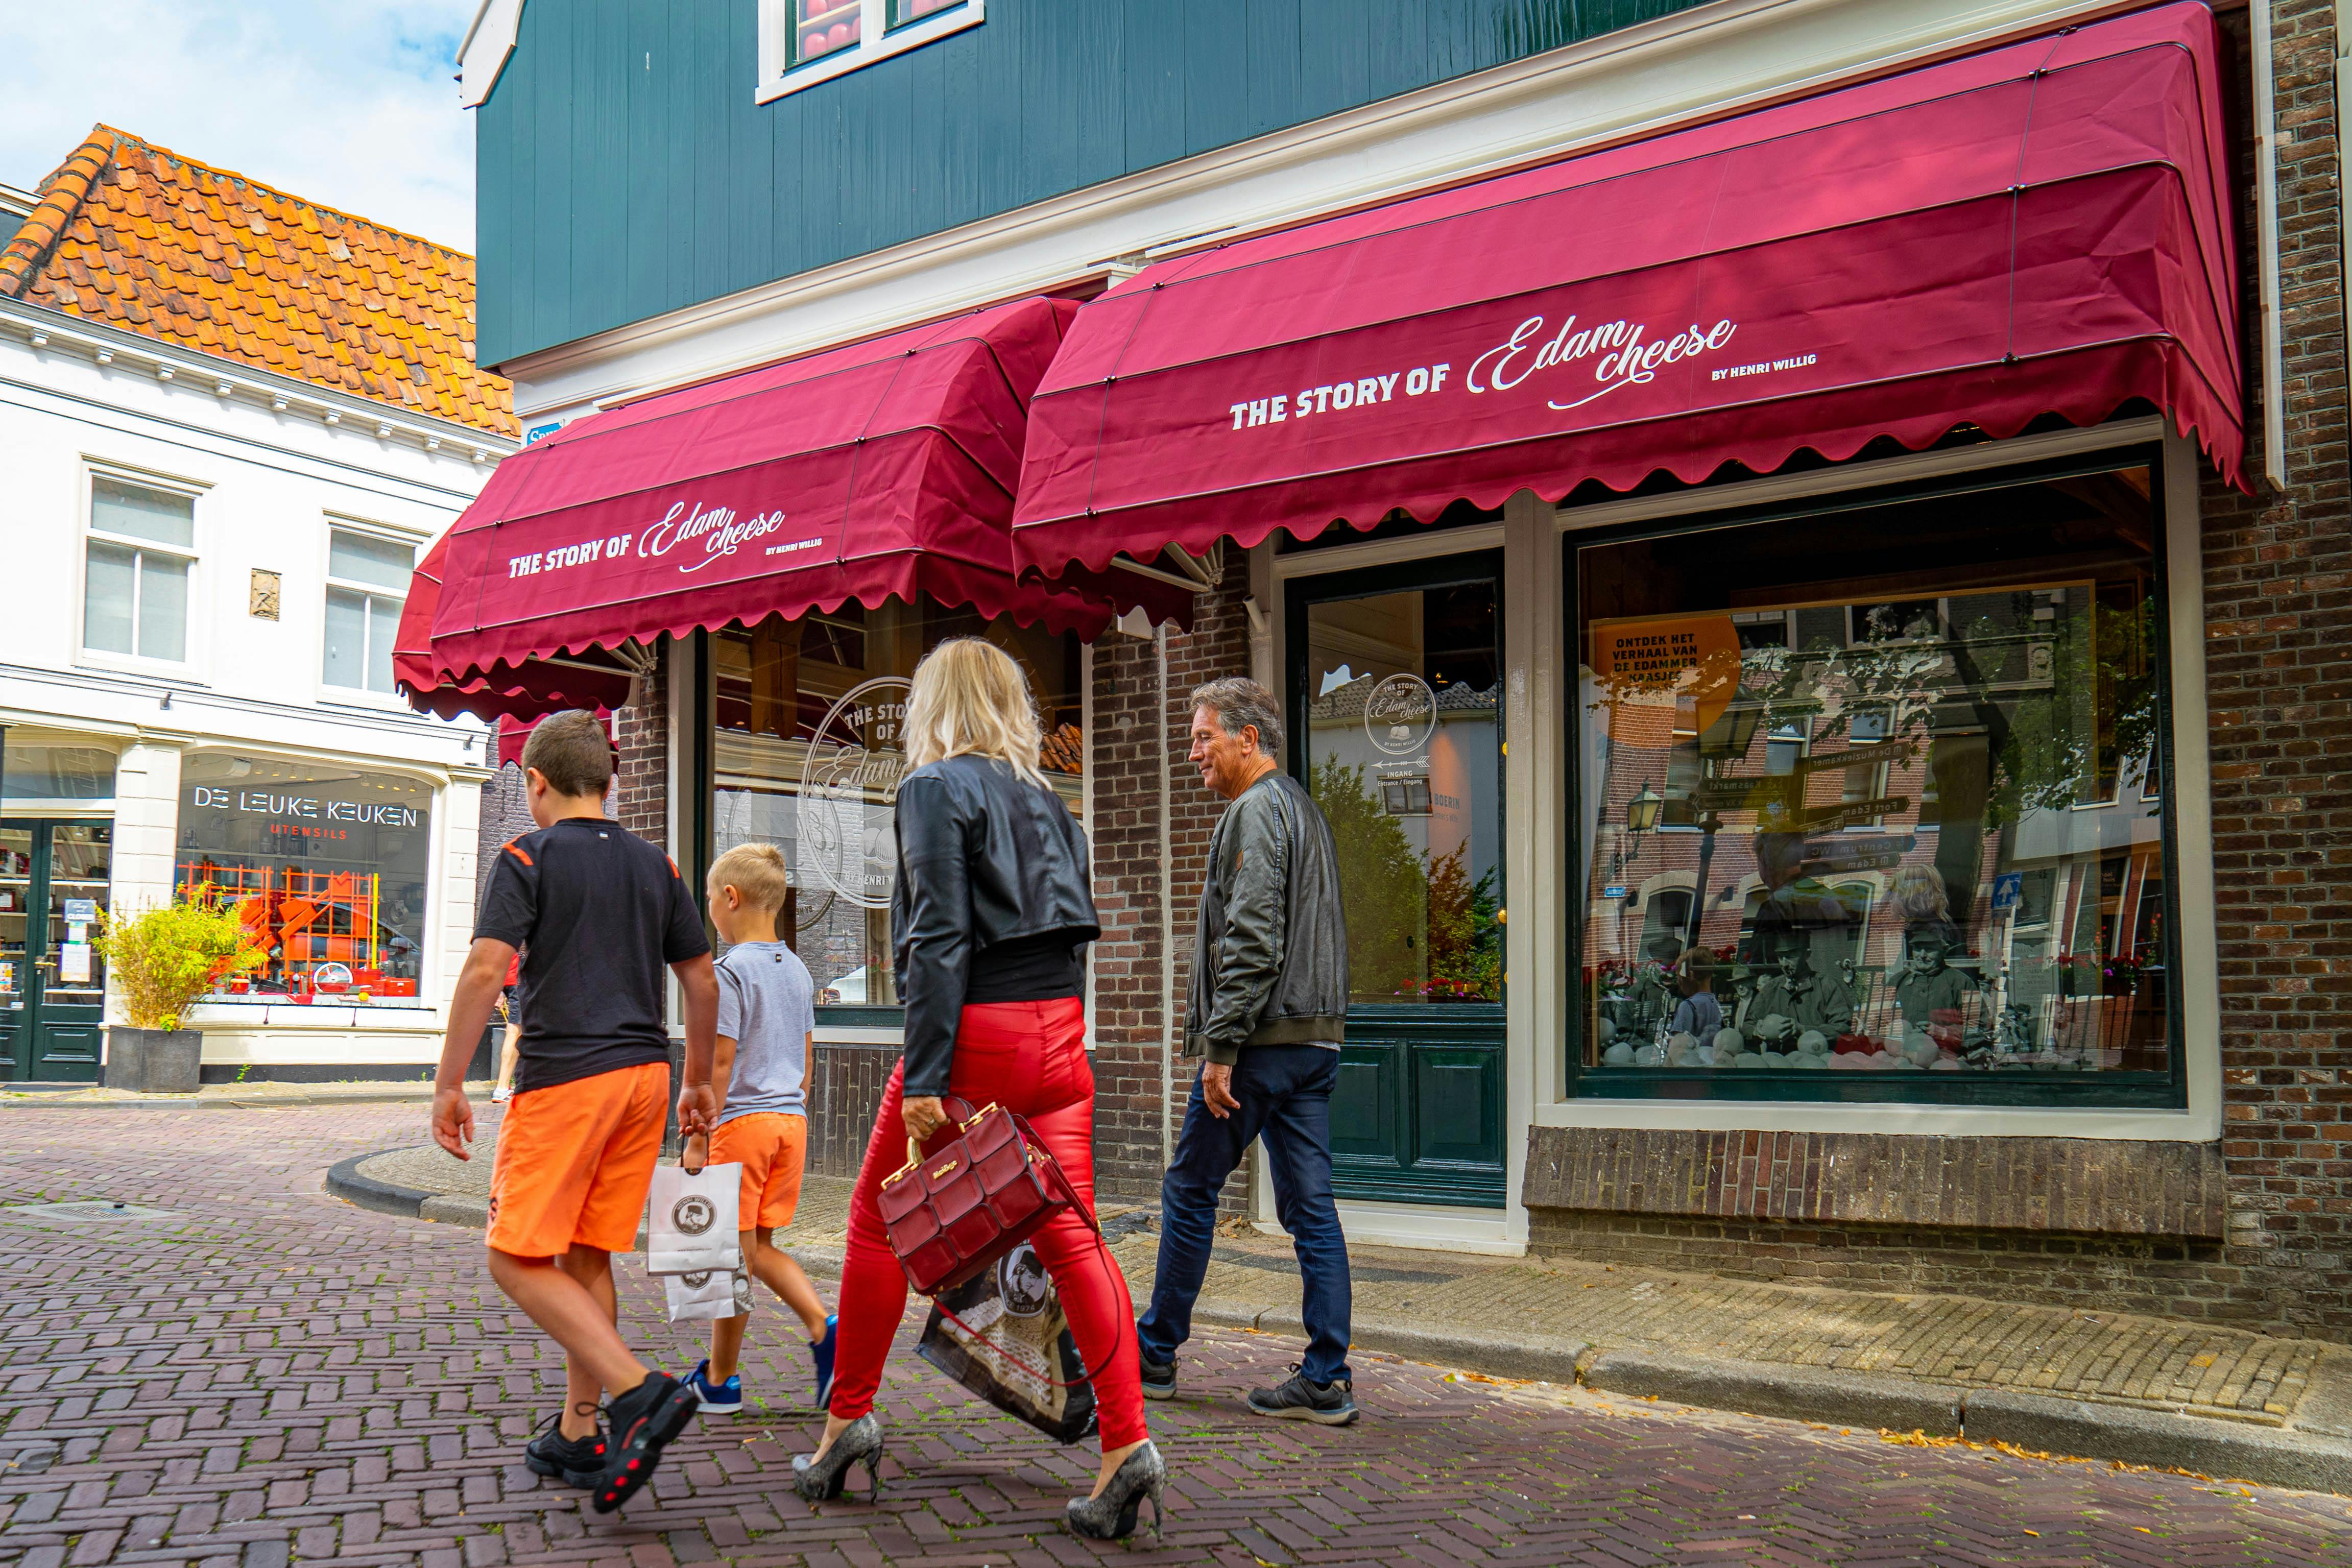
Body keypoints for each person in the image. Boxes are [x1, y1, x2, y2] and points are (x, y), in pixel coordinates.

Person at [794, 638, 1160, 1541]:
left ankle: (846, 1421)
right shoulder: (1050, 800)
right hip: (1060, 1037)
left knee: (878, 1220)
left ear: (935, 705)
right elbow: (1073, 939)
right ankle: (1127, 1445)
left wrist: (925, 1077)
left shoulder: (932, 788)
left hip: (979, 1039)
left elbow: (939, 937)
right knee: (1074, 1237)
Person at [428, 711, 719, 1516]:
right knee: (590, 1252)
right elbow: (700, 978)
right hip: (646, 1079)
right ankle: (579, 1428)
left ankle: (637, 1391)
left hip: (567, 1079)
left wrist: (450, 1081)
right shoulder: (654, 864)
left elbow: (489, 966)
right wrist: (698, 1082)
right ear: (610, 780)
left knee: (514, 1256)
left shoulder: (526, 854)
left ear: (535, 783)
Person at [1137, 677, 1357, 1426]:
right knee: (1311, 1209)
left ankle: (1156, 1353)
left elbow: (1253, 937)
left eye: (1204, 736)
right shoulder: (1304, 809)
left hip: (1261, 1043)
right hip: (1313, 1041)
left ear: (1248, 739)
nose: (1192, 750)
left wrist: (1221, 1046)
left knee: (1190, 1187)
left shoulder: (1256, 810)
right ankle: (1325, 1377)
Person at [678, 842, 838, 1415]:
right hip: (789, 1122)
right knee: (755, 1249)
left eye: (709, 901)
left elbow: (720, 1063)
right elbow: (806, 1055)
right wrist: (792, 1106)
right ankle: (726, 1372)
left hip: (741, 1123)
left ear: (730, 898)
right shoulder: (797, 969)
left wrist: (699, 1134)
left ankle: (741, 1369)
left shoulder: (728, 972)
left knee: (734, 1258)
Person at [491, 948, 522, 1103]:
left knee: (516, 1031)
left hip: (512, 979)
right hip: (522, 980)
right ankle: (502, 1088)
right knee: (515, 1032)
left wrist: (501, 988)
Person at [1668, 951, 1722, 1040]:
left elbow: (1680, 1047)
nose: (1678, 982)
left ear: (1691, 975)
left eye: (1678, 976)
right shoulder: (1716, 1003)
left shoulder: (1688, 1005)